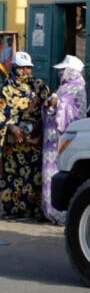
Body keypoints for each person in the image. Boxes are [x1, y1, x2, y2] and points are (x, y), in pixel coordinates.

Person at [1, 52, 50, 219]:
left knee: (33, 177)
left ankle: (34, 211)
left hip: (33, 141)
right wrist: (12, 127)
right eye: (21, 68)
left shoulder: (39, 87)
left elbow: (47, 110)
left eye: (28, 67)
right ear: (14, 68)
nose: (25, 71)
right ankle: (12, 210)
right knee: (13, 177)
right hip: (14, 144)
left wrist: (37, 131)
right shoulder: (5, 89)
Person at [42, 55, 86, 224]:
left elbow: (78, 114)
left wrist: (58, 103)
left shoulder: (78, 89)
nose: (60, 73)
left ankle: (61, 214)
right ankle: (49, 211)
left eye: (63, 70)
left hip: (63, 140)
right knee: (49, 174)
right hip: (51, 140)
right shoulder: (63, 88)